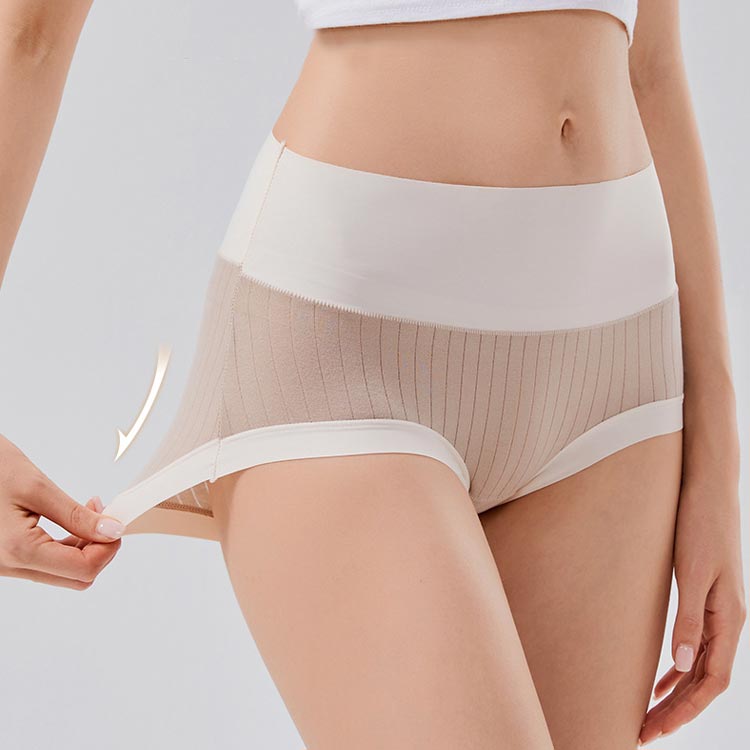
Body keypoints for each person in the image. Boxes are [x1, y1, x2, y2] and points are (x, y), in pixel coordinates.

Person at [0, 1, 745, 747]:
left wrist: (717, 458)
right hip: (348, 346)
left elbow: (652, 67)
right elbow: (30, 35)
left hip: (618, 379)